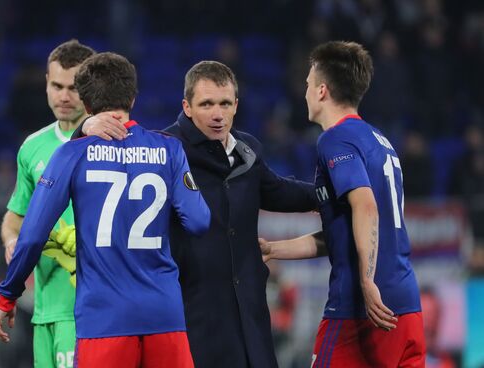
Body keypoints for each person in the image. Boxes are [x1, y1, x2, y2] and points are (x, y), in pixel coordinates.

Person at [74, 60, 316, 368]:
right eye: (207, 104)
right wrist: (84, 128)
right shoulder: (163, 150)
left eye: (225, 103)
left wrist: (331, 192)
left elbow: (279, 191)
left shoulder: (247, 150)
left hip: (249, 317)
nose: (217, 114)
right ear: (187, 107)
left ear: (236, 105)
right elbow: (96, 159)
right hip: (191, 315)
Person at [0, 52, 210, 368]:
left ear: (86, 103)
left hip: (103, 320)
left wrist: (8, 295)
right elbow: (200, 222)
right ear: (133, 98)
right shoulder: (169, 149)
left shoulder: (71, 154)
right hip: (164, 314)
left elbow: (32, 235)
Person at [260, 41, 425, 367]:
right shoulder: (380, 141)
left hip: (361, 310)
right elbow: (345, 233)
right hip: (406, 306)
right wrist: (272, 249)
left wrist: (366, 280)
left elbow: (365, 207)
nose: (304, 91)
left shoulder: (335, 139)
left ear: (322, 91)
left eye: (308, 84)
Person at [0, 39, 102, 368]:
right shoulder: (32, 147)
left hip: (90, 308)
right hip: (45, 307)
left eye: (73, 87)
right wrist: (12, 241)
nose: (64, 96)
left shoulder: (110, 142)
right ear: (46, 82)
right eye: (56, 85)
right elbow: (14, 218)